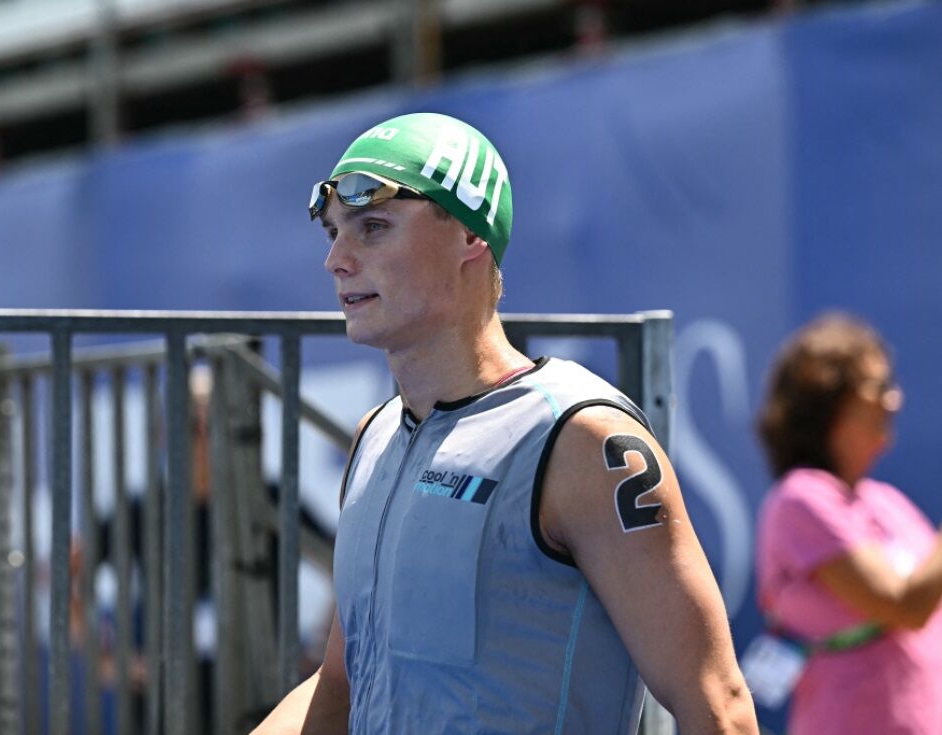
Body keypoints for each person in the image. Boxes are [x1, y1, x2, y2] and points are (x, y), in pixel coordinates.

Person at [253, 112, 756, 734]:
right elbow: (346, 681)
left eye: (373, 227)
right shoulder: (376, 436)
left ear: (470, 235)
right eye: (333, 233)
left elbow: (718, 707)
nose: (336, 259)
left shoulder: (584, 439)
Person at [755, 313, 942, 734]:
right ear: (829, 401)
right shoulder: (800, 498)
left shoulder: (886, 502)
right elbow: (905, 605)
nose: (893, 401)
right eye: (878, 388)